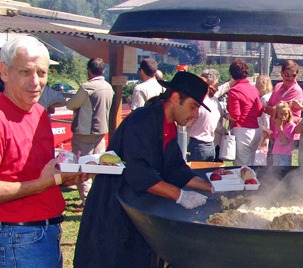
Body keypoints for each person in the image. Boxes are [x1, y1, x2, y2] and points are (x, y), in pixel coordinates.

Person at [74, 71, 213, 268]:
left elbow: (174, 168)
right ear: (175, 98)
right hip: (114, 206)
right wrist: (180, 196)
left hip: (138, 209)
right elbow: (138, 173)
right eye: (193, 106)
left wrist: (211, 187)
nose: (195, 114)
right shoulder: (142, 120)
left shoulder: (168, 126)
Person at [0, 36, 87, 267]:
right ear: (3, 72)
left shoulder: (38, 113)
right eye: (25, 72)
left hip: (46, 232)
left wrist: (69, 175)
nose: (35, 82)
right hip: (18, 239)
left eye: (42, 73)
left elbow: (36, 172)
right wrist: (43, 183)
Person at [66, 58, 115, 211]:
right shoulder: (108, 87)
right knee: (99, 166)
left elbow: (71, 104)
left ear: (89, 70)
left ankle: (87, 200)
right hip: (101, 131)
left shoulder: (87, 87)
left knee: (82, 165)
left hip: (85, 131)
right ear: (103, 70)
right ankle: (98, 198)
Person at [227, 59, 262, 166]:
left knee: (241, 168)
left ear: (231, 74)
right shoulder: (254, 89)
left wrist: (226, 116)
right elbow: (259, 112)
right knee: (250, 165)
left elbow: (235, 116)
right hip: (256, 130)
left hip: (242, 130)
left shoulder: (234, 90)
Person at [186, 74, 221, 162]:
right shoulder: (213, 105)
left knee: (196, 173)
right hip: (210, 145)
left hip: (197, 145)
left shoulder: (198, 106)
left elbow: (186, 124)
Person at [271, 101, 296, 166]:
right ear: (277, 114)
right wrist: (268, 136)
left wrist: (280, 129)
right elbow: (275, 140)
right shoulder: (277, 125)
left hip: (285, 155)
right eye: (281, 114)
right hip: (276, 153)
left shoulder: (291, 126)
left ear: (289, 114)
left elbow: (285, 142)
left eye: (285, 114)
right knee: (276, 173)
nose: (283, 117)